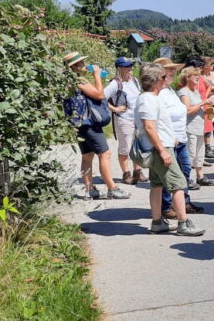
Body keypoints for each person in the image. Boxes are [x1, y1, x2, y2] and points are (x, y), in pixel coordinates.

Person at [134, 63, 204, 236]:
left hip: (161, 145)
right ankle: (183, 223)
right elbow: (149, 127)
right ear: (156, 80)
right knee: (178, 184)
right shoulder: (148, 99)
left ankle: (157, 222)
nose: (166, 79)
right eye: (163, 76)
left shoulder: (152, 97)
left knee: (157, 185)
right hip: (160, 148)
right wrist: (163, 150)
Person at [62, 52, 130, 200]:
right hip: (89, 123)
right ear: (75, 67)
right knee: (105, 154)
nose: (85, 65)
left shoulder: (67, 81)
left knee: (87, 156)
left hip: (79, 124)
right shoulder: (79, 80)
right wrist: (97, 76)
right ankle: (112, 188)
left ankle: (89, 190)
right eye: (82, 63)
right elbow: (99, 95)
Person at [153, 58, 204, 218]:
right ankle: (167, 206)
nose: (173, 72)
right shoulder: (158, 93)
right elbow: (157, 119)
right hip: (170, 140)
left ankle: (183, 202)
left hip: (180, 138)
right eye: (169, 70)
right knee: (170, 174)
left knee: (185, 170)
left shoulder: (170, 90)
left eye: (173, 70)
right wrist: (170, 136)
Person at [105, 56, 145, 185]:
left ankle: (137, 172)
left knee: (137, 146)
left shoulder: (135, 81)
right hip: (124, 119)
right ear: (119, 68)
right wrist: (114, 109)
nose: (130, 68)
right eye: (127, 66)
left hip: (137, 119)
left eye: (131, 65)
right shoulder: (115, 83)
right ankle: (126, 174)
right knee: (125, 148)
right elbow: (101, 97)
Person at [178, 66, 211, 189]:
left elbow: (199, 107)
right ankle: (188, 178)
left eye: (198, 75)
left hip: (199, 127)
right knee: (190, 154)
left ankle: (200, 176)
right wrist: (202, 103)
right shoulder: (184, 92)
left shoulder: (195, 91)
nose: (198, 77)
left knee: (199, 154)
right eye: (195, 75)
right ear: (187, 78)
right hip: (190, 128)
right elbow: (187, 110)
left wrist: (208, 109)